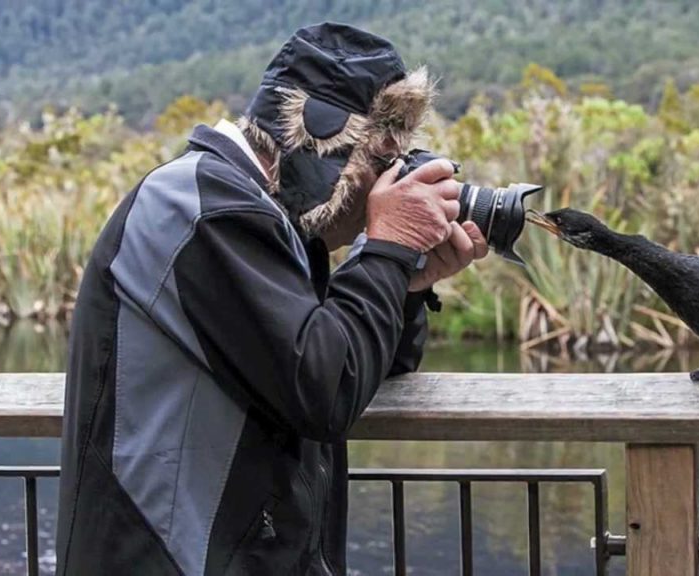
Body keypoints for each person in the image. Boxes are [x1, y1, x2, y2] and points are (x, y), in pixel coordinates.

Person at [55, 23, 488, 575]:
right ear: (323, 146)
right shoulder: (201, 208)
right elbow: (324, 388)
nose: (377, 192)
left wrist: (403, 283)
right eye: (380, 165)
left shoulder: (259, 219)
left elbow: (354, 367)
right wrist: (386, 246)